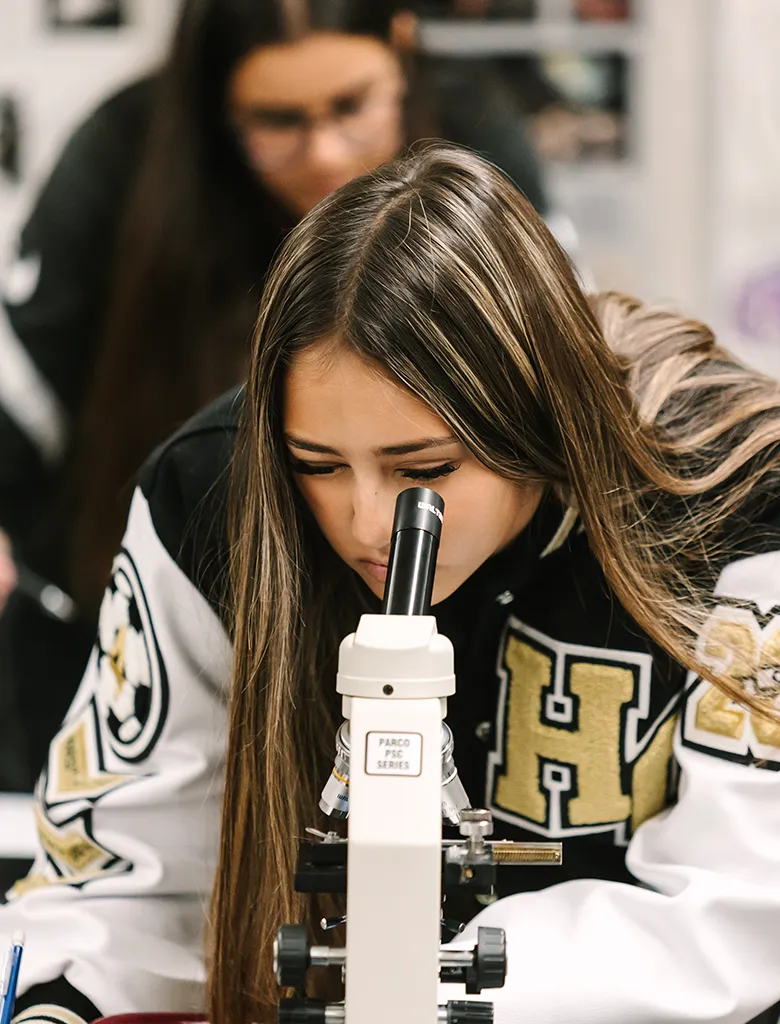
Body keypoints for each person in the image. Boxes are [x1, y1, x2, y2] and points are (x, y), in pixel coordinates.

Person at [2, 145, 780, 1024]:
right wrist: (50, 1019)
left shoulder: (755, 494)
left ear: (539, 414)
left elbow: (732, 904)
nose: (367, 522)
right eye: (318, 464)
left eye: (424, 467)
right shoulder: (211, 493)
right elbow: (133, 847)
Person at [0, 0, 545, 792]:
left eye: (352, 106)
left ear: (401, 47)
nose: (324, 152)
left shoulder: (475, 134)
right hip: (150, 596)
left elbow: (556, 368)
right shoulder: (128, 149)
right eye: (277, 121)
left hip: (432, 621)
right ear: (218, 99)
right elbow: (20, 384)